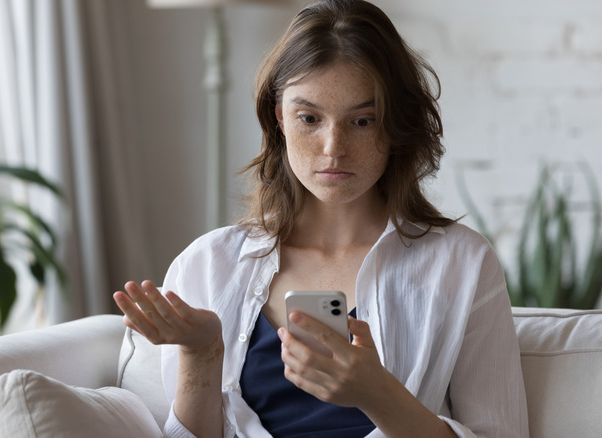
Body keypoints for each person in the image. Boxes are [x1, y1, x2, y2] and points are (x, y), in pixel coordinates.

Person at [113, 0, 529, 437]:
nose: (333, 147)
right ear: (279, 118)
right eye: (309, 118)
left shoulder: (460, 264)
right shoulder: (208, 265)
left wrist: (377, 394)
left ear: (395, 125)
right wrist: (202, 353)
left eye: (363, 121)